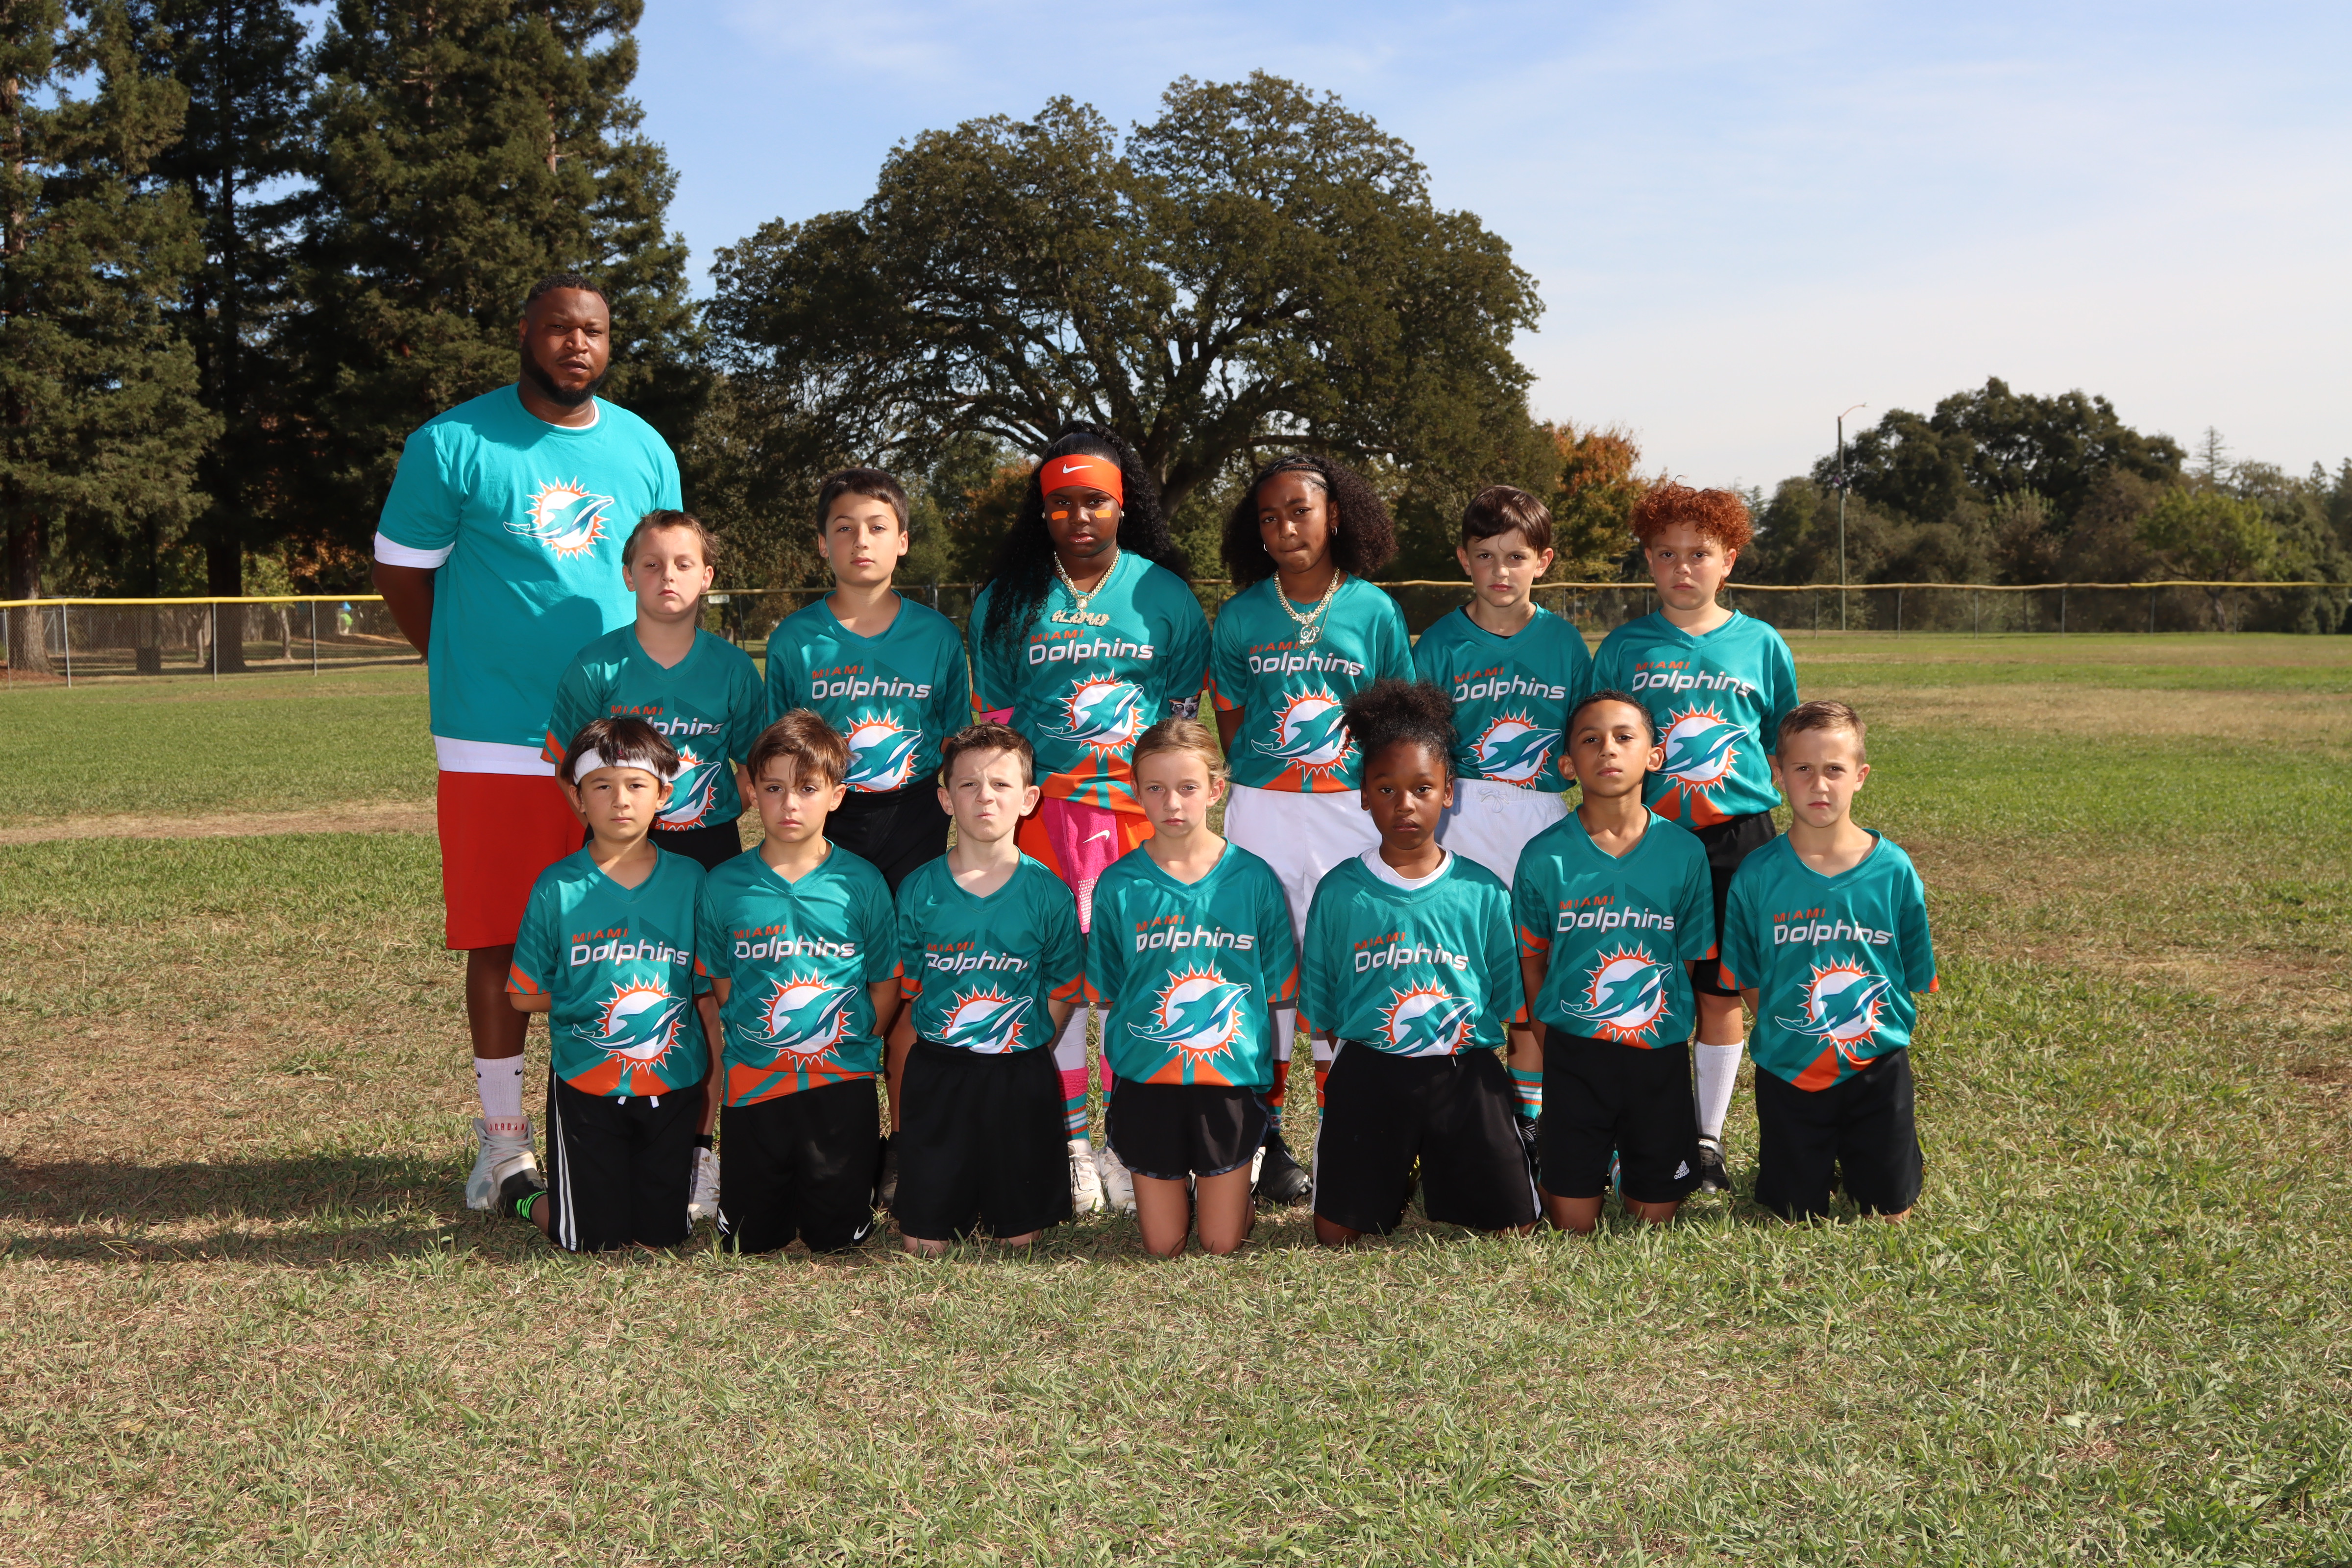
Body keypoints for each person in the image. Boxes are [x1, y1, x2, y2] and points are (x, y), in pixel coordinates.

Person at [370, 273, 683, 1213]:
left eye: (593, 331)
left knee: (631, 932)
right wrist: (461, 661)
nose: (576, 344)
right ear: (525, 334)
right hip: (494, 738)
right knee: (501, 933)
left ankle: (631, 1120)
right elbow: (402, 573)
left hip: (621, 738)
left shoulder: (645, 448)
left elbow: (665, 575)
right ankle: (503, 1144)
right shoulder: (453, 443)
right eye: (558, 328)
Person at [969, 424, 1208, 1217]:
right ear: (1042, 511)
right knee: (1056, 979)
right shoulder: (1007, 600)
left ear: (1123, 505)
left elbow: (1179, 718)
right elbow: (999, 725)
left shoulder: (1164, 596)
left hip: (1140, 821)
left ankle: (1130, 1144)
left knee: (1138, 977)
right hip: (1044, 817)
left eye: (1096, 501)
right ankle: (1071, 1143)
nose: (1079, 516)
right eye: (1063, 503)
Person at [1210, 453, 1415, 1206]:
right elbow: (1231, 713)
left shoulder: (1374, 609)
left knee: (1345, 964)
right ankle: (1264, 1137)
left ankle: (1344, 1133)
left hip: (1347, 808)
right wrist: (1267, 768)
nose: (1285, 528)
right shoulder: (1241, 614)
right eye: (1269, 517)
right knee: (1263, 971)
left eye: (1300, 511)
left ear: (1336, 516)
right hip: (1263, 806)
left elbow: (1395, 716)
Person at [1588, 483, 1798, 1195]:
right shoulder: (1625, 646)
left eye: (1700, 553)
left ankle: (1706, 1138)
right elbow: (1601, 738)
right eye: (1666, 554)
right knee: (1642, 981)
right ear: (1648, 559)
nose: (1683, 568)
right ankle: (1634, 1132)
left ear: (1729, 559)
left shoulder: (1761, 644)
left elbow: (1780, 740)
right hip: (1648, 838)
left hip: (1739, 837)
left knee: (1722, 990)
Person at [1298, 681, 1535, 1246]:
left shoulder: (1483, 891)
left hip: (1464, 1071)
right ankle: (1392, 1161)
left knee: (1516, 1225)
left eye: (1422, 788)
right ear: (1364, 794)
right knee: (1335, 1234)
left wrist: (1526, 1107)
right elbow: (1324, 1016)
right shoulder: (1340, 892)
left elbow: (1515, 1009)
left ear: (1448, 791)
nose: (1404, 804)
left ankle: (1451, 1160)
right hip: (1372, 1070)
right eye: (1386, 788)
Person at [1415, 484, 1593, 1139]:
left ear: (1543, 561)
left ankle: (1532, 1123)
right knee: (1457, 960)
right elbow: (1421, 742)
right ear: (1464, 559)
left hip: (1541, 815)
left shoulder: (1564, 643)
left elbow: (1583, 730)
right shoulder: (1440, 643)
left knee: (1535, 967)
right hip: (1460, 812)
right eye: (1486, 556)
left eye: (1516, 557)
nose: (1500, 571)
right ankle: (1453, 1117)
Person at [499, 717, 716, 1252]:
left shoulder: (691, 880)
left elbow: (706, 984)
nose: (620, 800)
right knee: (593, 1240)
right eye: (602, 786)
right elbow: (523, 993)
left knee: (662, 1238)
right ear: (578, 798)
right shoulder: (557, 887)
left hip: (672, 1082)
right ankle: (523, 1194)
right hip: (587, 1083)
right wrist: (588, 997)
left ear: (663, 795)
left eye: (636, 785)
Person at [1086, 719, 1298, 1258]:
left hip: (1227, 1080)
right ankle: (1172, 1172)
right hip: (1148, 1083)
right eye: (1156, 788)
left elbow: (1278, 988)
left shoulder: (1253, 878)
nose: (1172, 803)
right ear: (1136, 791)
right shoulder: (1119, 884)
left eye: (1187, 787)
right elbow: (1107, 990)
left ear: (1216, 789)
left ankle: (1237, 1173)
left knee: (1221, 1242)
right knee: (1165, 1245)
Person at [1719, 701, 1936, 1222]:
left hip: (1875, 1063)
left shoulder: (1893, 869)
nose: (1819, 784)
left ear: (1860, 776)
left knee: (1888, 1212)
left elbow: (1910, 970)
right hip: (1790, 1067)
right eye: (1803, 768)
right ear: (1777, 773)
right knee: (1793, 1214)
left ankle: (1877, 1159)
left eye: (1835, 769)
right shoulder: (1757, 873)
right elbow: (1745, 972)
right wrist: (1786, 1027)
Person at [697, 711, 902, 1254]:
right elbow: (722, 979)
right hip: (755, 1083)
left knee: (835, 1239)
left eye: (808, 788)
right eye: (774, 788)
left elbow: (884, 982)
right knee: (752, 1240)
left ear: (836, 795)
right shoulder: (723, 885)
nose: (790, 803)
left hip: (840, 1082)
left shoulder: (862, 883)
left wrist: (850, 1040)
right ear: (751, 791)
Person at [1512, 691, 1715, 1234]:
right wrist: (1551, 1037)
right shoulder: (1544, 855)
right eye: (1590, 739)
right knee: (1572, 1222)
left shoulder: (1685, 852)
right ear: (1567, 765)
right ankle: (1582, 1151)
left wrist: (1655, 1020)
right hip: (1575, 1053)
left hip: (1656, 1056)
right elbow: (1533, 960)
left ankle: (1631, 1155)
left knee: (1655, 1217)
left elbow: (1687, 960)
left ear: (1654, 756)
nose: (1608, 749)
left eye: (1625, 737)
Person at [890, 724, 1086, 1254]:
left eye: (1001, 784)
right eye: (969, 784)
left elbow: (1062, 986)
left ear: (1028, 800)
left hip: (1019, 1074)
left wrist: (1024, 1044)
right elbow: (912, 985)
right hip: (940, 1071)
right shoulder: (919, 889)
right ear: (945, 800)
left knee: (1019, 1240)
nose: (985, 797)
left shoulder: (1048, 892)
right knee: (923, 1246)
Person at [764, 468, 969, 891]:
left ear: (902, 541)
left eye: (877, 527)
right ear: (823, 544)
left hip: (915, 817)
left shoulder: (937, 635)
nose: (861, 540)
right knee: (832, 925)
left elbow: (955, 738)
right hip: (825, 816)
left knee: (909, 925)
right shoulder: (794, 639)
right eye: (844, 528)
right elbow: (776, 746)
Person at [545, 509, 764, 874]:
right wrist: (611, 835)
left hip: (711, 846)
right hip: (617, 848)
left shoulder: (735, 668)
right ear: (629, 576)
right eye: (651, 565)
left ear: (706, 577)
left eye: (684, 564)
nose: (668, 575)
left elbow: (753, 769)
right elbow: (567, 769)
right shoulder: (593, 666)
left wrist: (711, 814)